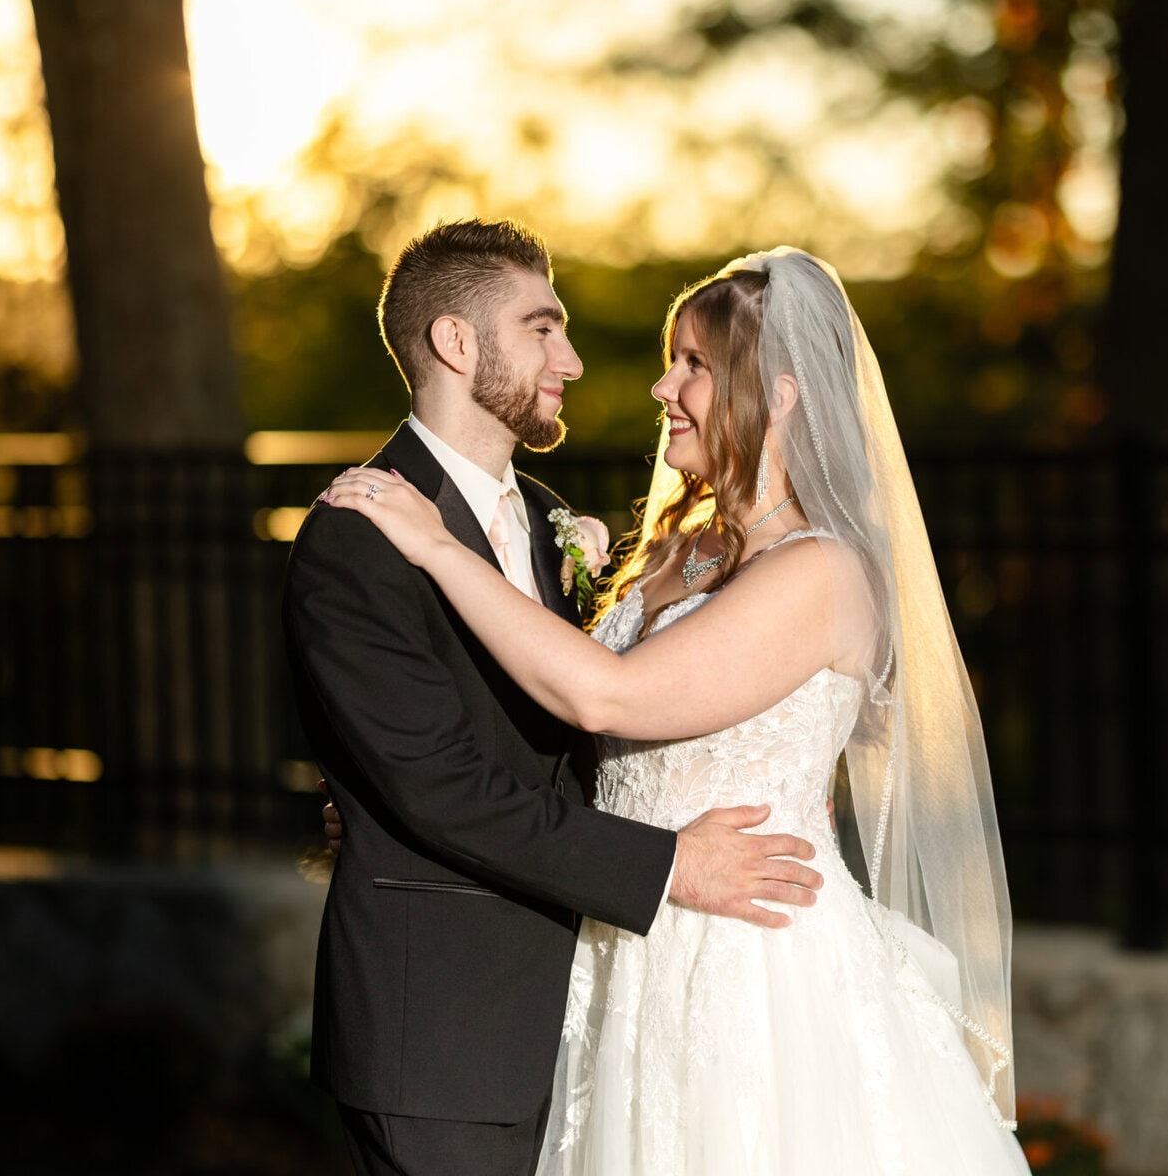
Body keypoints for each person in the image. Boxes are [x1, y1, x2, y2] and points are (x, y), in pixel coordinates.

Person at [321, 246, 1028, 1173]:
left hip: (750, 968)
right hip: (625, 952)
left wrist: (439, 548)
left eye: (695, 363)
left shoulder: (821, 572)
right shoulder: (679, 552)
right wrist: (388, 797)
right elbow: (567, 735)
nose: (663, 387)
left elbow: (603, 693)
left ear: (777, 394)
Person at [282, 219, 825, 1176]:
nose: (571, 360)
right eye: (544, 328)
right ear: (457, 344)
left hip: (601, 1003)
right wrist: (666, 867)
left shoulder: (544, 518)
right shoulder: (361, 532)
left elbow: (568, 730)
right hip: (447, 1029)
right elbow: (441, 785)